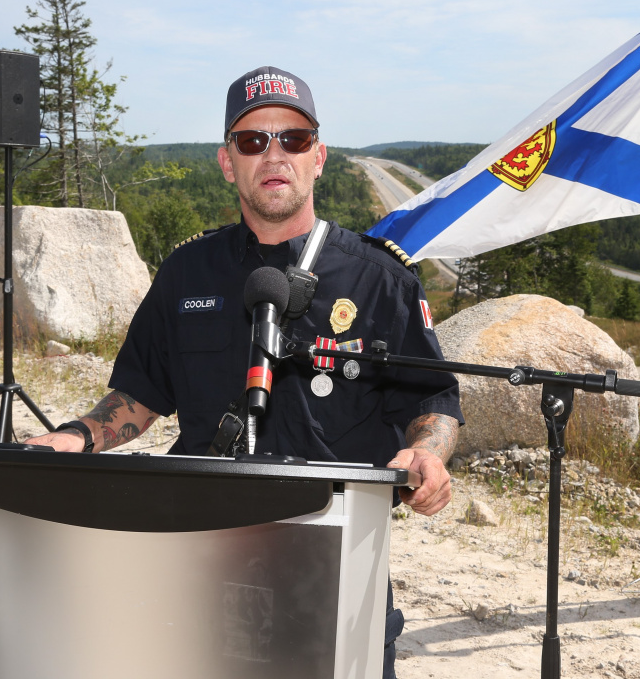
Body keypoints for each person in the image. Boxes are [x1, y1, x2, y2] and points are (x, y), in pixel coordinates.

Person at [24, 65, 462, 677]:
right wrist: (77, 435)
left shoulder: (380, 279)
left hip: (333, 556)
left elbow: (433, 401)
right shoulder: (186, 274)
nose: (274, 154)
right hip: (201, 556)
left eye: (294, 138)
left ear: (320, 156)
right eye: (253, 141)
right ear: (228, 161)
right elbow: (139, 394)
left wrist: (429, 455)